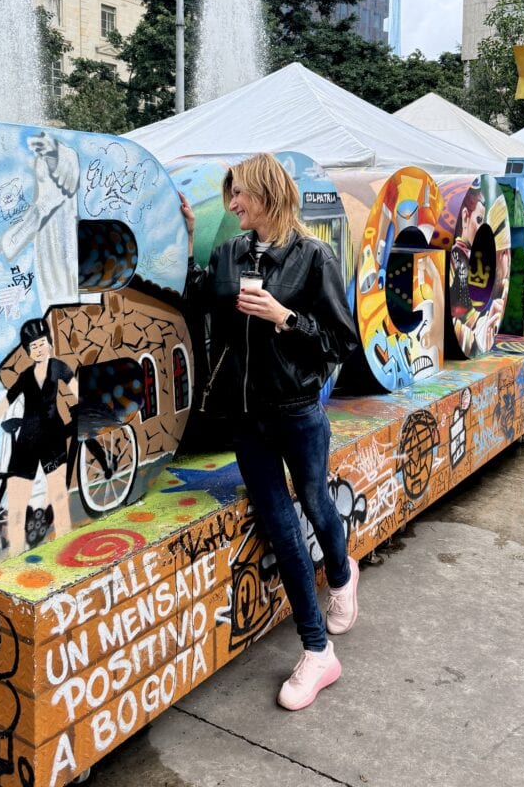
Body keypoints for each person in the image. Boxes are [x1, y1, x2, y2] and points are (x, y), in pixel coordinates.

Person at [179, 153, 359, 710]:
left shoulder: (314, 257)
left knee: (313, 499)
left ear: (267, 195)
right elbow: (201, 297)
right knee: (280, 524)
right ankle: (316, 650)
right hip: (245, 412)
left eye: (240, 195)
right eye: (229, 195)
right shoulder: (231, 251)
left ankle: (341, 568)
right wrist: (188, 245)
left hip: (300, 409)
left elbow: (340, 342)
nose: (231, 205)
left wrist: (283, 316)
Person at [0, 317, 78, 553]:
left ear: (49, 343)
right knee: (18, 503)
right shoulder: (26, 376)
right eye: (33, 346)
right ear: (28, 352)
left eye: (42, 343)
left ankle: (64, 544)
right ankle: (15, 552)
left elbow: (75, 387)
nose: (39, 349)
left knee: (59, 497)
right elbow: (7, 401)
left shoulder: (58, 367)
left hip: (53, 437)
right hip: (27, 440)